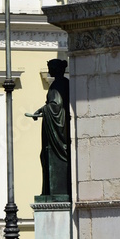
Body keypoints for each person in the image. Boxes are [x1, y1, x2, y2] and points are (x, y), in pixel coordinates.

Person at [27, 58, 71, 200]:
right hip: (53, 124)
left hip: (58, 127)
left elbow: (56, 106)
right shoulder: (57, 84)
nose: (49, 70)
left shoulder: (60, 84)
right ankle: (48, 190)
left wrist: (42, 111)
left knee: (51, 156)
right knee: (45, 156)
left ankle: (55, 191)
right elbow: (52, 104)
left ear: (57, 69)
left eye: (50, 67)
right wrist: (39, 111)